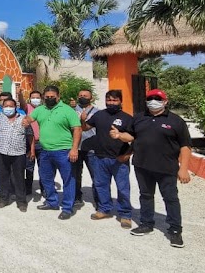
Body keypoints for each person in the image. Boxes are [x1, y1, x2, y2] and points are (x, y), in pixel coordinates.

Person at [110, 89, 191, 248]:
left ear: (165, 101)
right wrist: (119, 135)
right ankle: (146, 223)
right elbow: (131, 136)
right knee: (145, 195)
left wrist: (184, 169)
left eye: (157, 98)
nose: (153, 101)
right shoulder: (139, 117)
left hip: (166, 168)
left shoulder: (176, 121)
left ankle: (175, 230)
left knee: (170, 198)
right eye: (150, 98)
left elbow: (185, 146)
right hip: (142, 165)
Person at [22, 86, 82, 220]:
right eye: (47, 97)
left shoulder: (67, 110)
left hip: (64, 151)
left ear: (58, 96)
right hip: (45, 151)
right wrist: (25, 120)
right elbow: (29, 118)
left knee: (68, 180)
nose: (49, 99)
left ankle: (67, 207)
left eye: (52, 97)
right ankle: (52, 202)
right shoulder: (40, 109)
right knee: (46, 179)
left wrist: (74, 149)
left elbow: (77, 130)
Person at [81, 90, 133, 229]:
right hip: (99, 157)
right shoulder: (99, 115)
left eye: (114, 100)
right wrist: (82, 119)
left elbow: (134, 138)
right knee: (101, 185)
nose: (111, 103)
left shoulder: (127, 118)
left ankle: (125, 214)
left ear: (120, 101)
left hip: (119, 159)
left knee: (123, 188)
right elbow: (85, 128)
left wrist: (126, 151)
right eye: (108, 100)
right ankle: (104, 209)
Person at [0, 98, 32, 212]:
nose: (8, 108)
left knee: (19, 177)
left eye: (11, 106)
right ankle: (4, 199)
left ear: (15, 107)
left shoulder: (23, 119)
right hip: (2, 152)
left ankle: (21, 202)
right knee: (3, 176)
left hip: (18, 153)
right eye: (6, 106)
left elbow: (30, 135)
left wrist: (32, 150)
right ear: (2, 107)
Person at [0, 92, 26, 196]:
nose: (2, 101)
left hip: (16, 144)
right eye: (1, 100)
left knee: (15, 169)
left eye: (4, 99)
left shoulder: (20, 112)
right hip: (0, 142)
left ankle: (14, 189)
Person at [73, 89, 99, 208]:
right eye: (81, 95)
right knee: (76, 174)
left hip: (92, 149)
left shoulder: (97, 112)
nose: (83, 97)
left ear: (91, 98)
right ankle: (77, 197)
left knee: (96, 176)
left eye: (85, 95)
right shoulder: (72, 110)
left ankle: (99, 200)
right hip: (76, 148)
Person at [25, 91, 44, 197]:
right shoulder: (26, 107)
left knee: (43, 167)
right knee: (29, 167)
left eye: (37, 97)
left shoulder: (44, 109)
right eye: (33, 97)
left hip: (42, 143)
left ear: (41, 99)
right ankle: (28, 188)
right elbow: (22, 103)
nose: (35, 99)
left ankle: (44, 189)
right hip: (29, 143)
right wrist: (19, 94)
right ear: (29, 98)